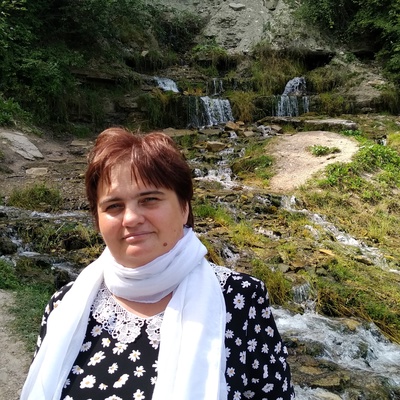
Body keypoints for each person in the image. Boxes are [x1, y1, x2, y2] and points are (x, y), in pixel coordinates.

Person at [21, 127, 295, 400]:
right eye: (114, 206)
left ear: (184, 207)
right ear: (98, 219)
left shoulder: (241, 300)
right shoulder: (64, 304)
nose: (131, 218)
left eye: (149, 199)